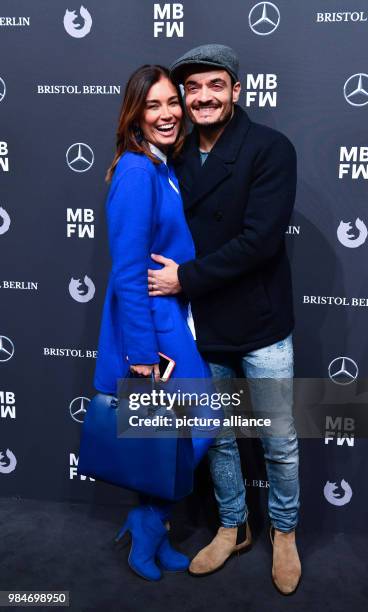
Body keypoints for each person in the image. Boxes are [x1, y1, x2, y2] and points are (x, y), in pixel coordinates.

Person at [147, 44, 301, 594]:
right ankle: (232, 526)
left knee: (278, 437)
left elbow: (259, 242)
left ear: (237, 91)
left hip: (260, 322)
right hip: (202, 326)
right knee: (219, 439)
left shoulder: (270, 148)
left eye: (216, 85)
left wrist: (183, 279)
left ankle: (284, 532)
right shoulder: (175, 156)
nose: (203, 97)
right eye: (193, 89)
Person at [92, 64, 217, 582]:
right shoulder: (137, 171)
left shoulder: (161, 165)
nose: (167, 114)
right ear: (135, 116)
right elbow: (126, 269)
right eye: (153, 105)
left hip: (173, 313)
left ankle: (151, 526)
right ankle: (146, 528)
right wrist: (142, 354)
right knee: (202, 420)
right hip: (153, 324)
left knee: (167, 431)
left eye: (172, 102)